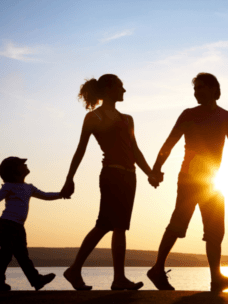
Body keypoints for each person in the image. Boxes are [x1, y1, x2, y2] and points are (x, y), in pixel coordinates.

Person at [147, 73, 228, 292]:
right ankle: (157, 269)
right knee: (178, 224)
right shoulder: (188, 114)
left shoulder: (227, 117)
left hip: (213, 181)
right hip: (189, 179)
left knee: (215, 230)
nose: (196, 93)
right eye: (195, 89)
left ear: (214, 89)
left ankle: (216, 279)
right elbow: (170, 142)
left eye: (201, 88)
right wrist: (156, 169)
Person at [60, 74, 160, 291]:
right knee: (114, 226)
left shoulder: (128, 119)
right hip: (111, 175)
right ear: (108, 90)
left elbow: (135, 150)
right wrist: (69, 179)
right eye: (121, 87)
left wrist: (150, 173)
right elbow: (81, 150)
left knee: (109, 225)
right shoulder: (94, 118)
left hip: (129, 176)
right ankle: (114, 278)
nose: (124, 91)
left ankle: (77, 270)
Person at [0, 157, 64, 291]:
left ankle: (36, 280)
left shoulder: (29, 188)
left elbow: (45, 195)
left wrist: (61, 194)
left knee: (22, 256)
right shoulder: (9, 186)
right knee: (6, 254)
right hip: (6, 225)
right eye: (22, 164)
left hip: (18, 227)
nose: (25, 164)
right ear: (14, 171)